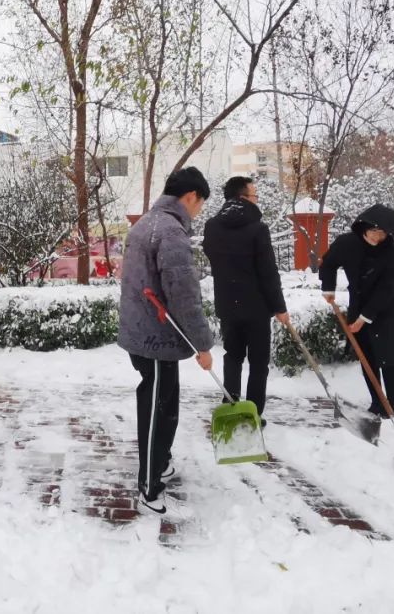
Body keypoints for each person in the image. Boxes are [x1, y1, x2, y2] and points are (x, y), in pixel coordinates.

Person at [118, 167, 214, 515]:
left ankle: (160, 463)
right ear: (191, 197)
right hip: (155, 336)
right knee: (158, 409)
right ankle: (148, 486)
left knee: (165, 402)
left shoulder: (146, 223)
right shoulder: (170, 232)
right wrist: (203, 345)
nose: (198, 212)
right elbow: (184, 295)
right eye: (200, 204)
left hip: (145, 332)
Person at [202, 176, 289, 424]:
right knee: (258, 362)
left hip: (228, 305)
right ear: (243, 197)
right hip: (257, 308)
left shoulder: (212, 226)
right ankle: (252, 412)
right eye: (254, 195)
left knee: (233, 356)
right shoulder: (258, 229)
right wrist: (279, 307)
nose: (256, 199)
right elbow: (268, 271)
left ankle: (231, 404)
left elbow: (213, 257)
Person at [318, 204, 394, 417]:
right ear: (363, 227)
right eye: (374, 231)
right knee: (366, 356)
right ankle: (377, 403)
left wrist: (365, 317)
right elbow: (328, 263)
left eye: (383, 233)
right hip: (358, 303)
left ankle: (391, 407)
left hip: (390, 308)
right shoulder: (347, 243)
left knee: (388, 357)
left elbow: (387, 288)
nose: (378, 237)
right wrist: (328, 289)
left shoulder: (393, 252)